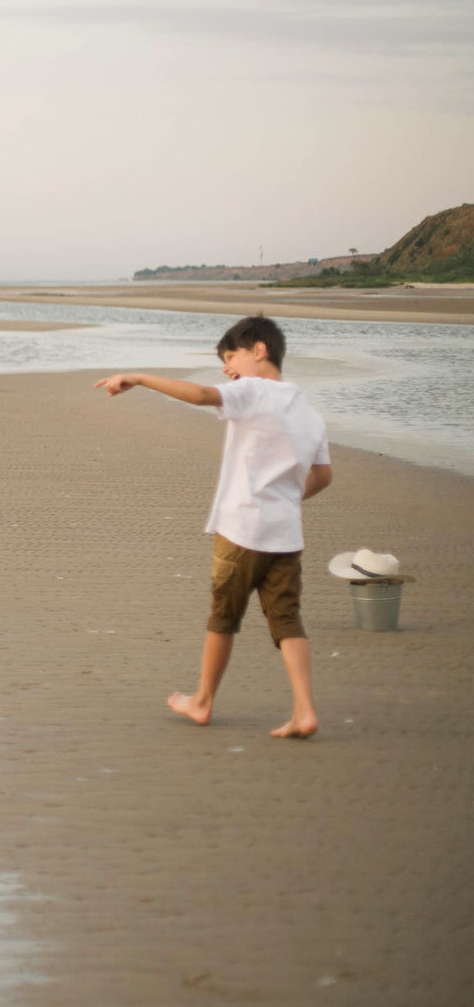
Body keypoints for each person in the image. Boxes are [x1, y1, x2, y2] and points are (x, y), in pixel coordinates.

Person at [96, 316, 331, 739]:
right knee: (287, 621)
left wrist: (140, 378)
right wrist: (289, 499)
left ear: (259, 351)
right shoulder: (309, 414)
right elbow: (324, 476)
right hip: (286, 535)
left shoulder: (254, 390)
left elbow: (202, 395)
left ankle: (202, 701)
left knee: (224, 616)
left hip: (242, 530)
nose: (227, 368)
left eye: (231, 357)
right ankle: (305, 710)